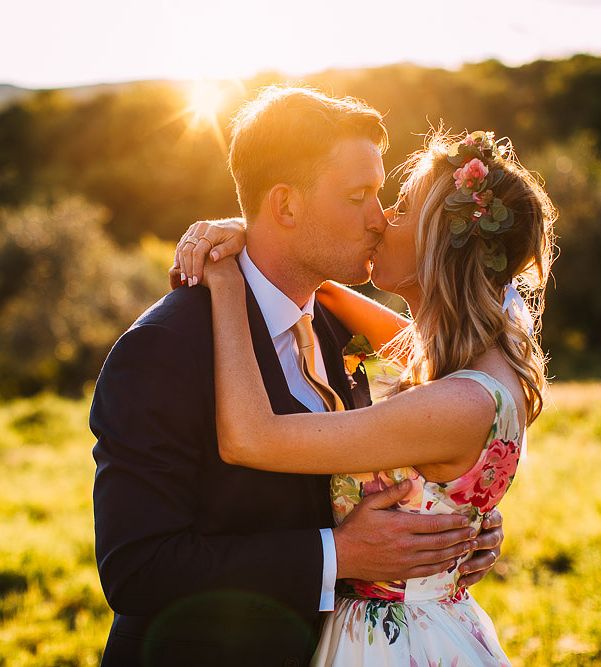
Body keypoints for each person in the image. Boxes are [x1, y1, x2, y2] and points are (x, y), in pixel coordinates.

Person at [90, 86, 504, 667]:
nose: (379, 219)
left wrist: (454, 520)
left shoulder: (342, 326)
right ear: (285, 205)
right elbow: (138, 569)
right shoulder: (161, 351)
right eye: (358, 196)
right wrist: (339, 557)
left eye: (380, 195)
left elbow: (402, 454)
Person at [171, 120, 555, 664]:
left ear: (438, 247)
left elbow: (251, 438)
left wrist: (228, 279)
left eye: (401, 207)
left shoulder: (461, 403)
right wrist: (256, 229)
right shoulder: (473, 362)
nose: (381, 221)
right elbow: (317, 282)